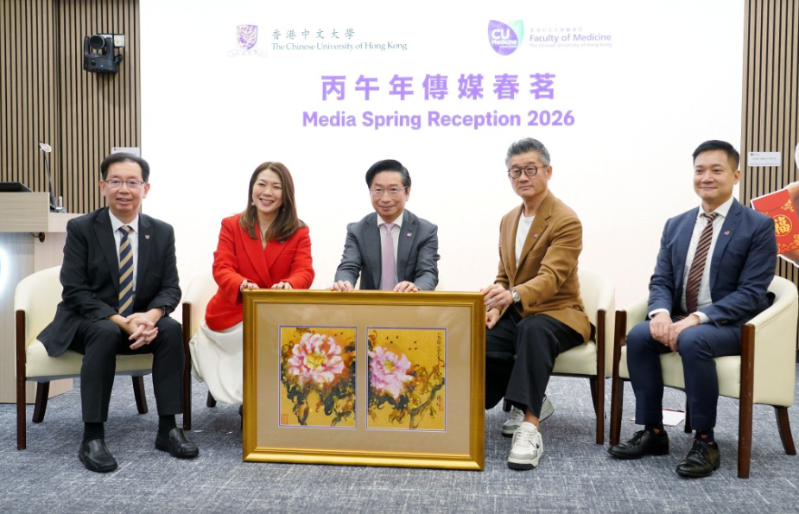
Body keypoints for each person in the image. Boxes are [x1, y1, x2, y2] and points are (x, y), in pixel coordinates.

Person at [608, 140, 776, 478]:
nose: (706, 177)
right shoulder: (677, 224)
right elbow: (661, 280)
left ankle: (705, 441)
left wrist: (697, 319)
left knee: (692, 339)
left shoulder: (757, 226)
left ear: (736, 175)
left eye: (716, 170)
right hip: (682, 318)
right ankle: (654, 431)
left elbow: (752, 293)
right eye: (700, 170)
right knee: (639, 335)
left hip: (731, 324)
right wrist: (660, 313)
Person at [38, 152, 198, 473]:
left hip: (138, 324)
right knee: (106, 330)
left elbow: (170, 287)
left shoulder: (161, 231)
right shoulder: (82, 228)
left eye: (132, 182)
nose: (124, 189)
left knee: (170, 329)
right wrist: (120, 320)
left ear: (145, 189)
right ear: (102, 186)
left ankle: (168, 428)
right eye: (115, 181)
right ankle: (92, 437)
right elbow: (74, 289)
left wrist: (150, 317)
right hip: (89, 322)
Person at [481, 138, 592, 470]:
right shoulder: (508, 220)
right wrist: (496, 304)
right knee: (482, 337)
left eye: (530, 169)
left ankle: (530, 425)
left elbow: (551, 277)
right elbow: (504, 275)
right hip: (520, 310)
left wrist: (512, 295)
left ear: (548, 171)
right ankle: (531, 400)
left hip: (561, 313)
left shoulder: (565, 219)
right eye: (515, 171)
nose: (523, 177)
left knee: (532, 329)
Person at [190, 162, 314, 406]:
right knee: (261, 334)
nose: (267, 192)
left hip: (275, 313)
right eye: (262, 184)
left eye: (276, 187)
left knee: (287, 334)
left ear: (286, 194)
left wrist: (289, 285)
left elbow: (304, 270)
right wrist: (241, 284)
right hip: (234, 312)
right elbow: (222, 267)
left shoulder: (299, 231)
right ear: (252, 188)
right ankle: (253, 403)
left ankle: (266, 404)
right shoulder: (231, 224)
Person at [331, 159, 439, 292]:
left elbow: (428, 272)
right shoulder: (357, 231)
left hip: (409, 302)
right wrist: (344, 283)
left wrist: (416, 288)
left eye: (393, 190)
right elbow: (348, 267)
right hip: (372, 304)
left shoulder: (426, 231)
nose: (385, 198)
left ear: (407, 192)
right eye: (378, 190)